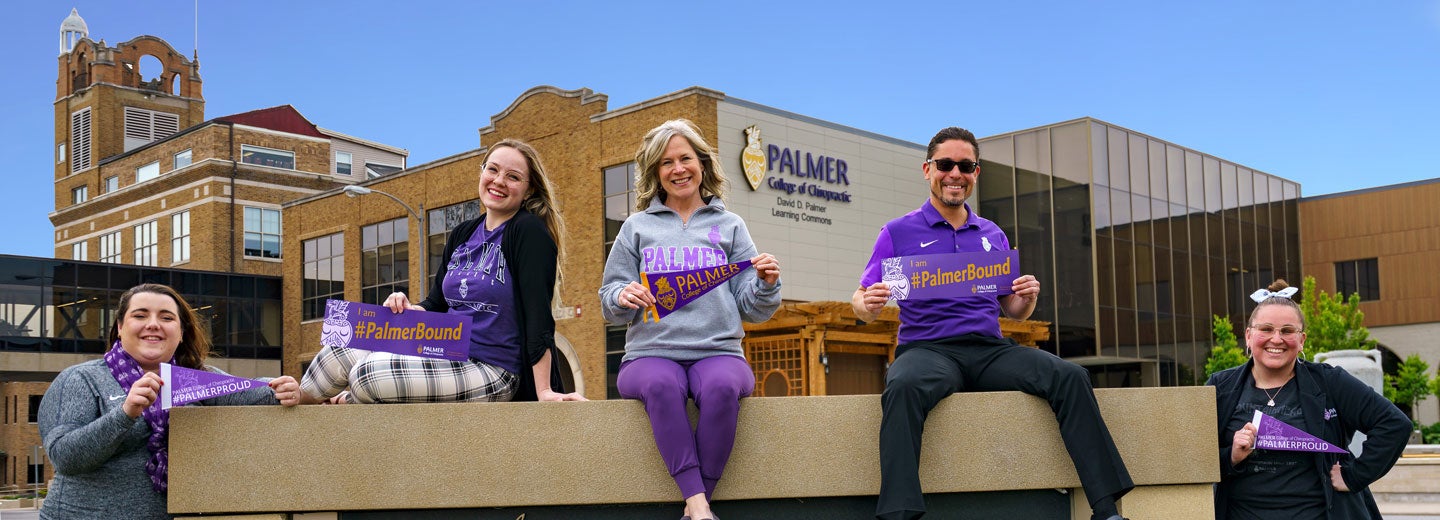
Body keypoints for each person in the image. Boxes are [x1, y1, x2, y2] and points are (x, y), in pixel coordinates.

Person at [853, 127, 1133, 520]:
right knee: (902, 386)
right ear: (927, 169)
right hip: (927, 350)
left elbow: (1012, 310)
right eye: (945, 164)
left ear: (976, 172)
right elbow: (862, 302)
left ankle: (1106, 508)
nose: (955, 173)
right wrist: (868, 303)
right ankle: (900, 514)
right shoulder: (897, 232)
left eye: (965, 166)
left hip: (988, 349)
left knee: (1070, 376)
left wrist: (1027, 297)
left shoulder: (992, 234)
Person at [301, 139, 584, 404]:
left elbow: (538, 315)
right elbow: (437, 304)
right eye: (493, 169)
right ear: (481, 172)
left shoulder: (527, 232)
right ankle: (292, 401)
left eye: (512, 176)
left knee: (368, 373)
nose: (498, 181)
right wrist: (408, 306)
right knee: (340, 348)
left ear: (529, 189)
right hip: (444, 350)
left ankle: (348, 400)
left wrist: (545, 391)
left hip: (494, 369)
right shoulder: (463, 233)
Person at [601, 119, 782, 520]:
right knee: (663, 385)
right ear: (655, 172)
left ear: (702, 164)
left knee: (720, 388)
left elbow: (752, 307)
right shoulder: (636, 228)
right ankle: (700, 508)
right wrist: (622, 294)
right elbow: (608, 302)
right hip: (649, 354)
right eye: (666, 162)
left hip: (718, 351)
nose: (678, 169)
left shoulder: (731, 225)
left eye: (685, 158)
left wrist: (767, 284)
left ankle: (695, 508)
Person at [38, 283, 302, 519]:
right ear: (120, 327)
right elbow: (65, 458)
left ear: (181, 332)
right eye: (140, 315)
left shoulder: (193, 379)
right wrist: (125, 413)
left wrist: (295, 390)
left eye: (166, 318)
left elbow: (258, 393)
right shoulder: (81, 378)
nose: (153, 324)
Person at [1208, 279, 1410, 519]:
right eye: (1266, 329)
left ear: (1301, 339)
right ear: (1249, 336)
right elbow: (1193, 459)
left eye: (1287, 331)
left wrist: (1354, 475)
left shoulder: (1330, 382)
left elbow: (1395, 424)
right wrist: (1231, 455)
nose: (1276, 339)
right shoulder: (1220, 387)